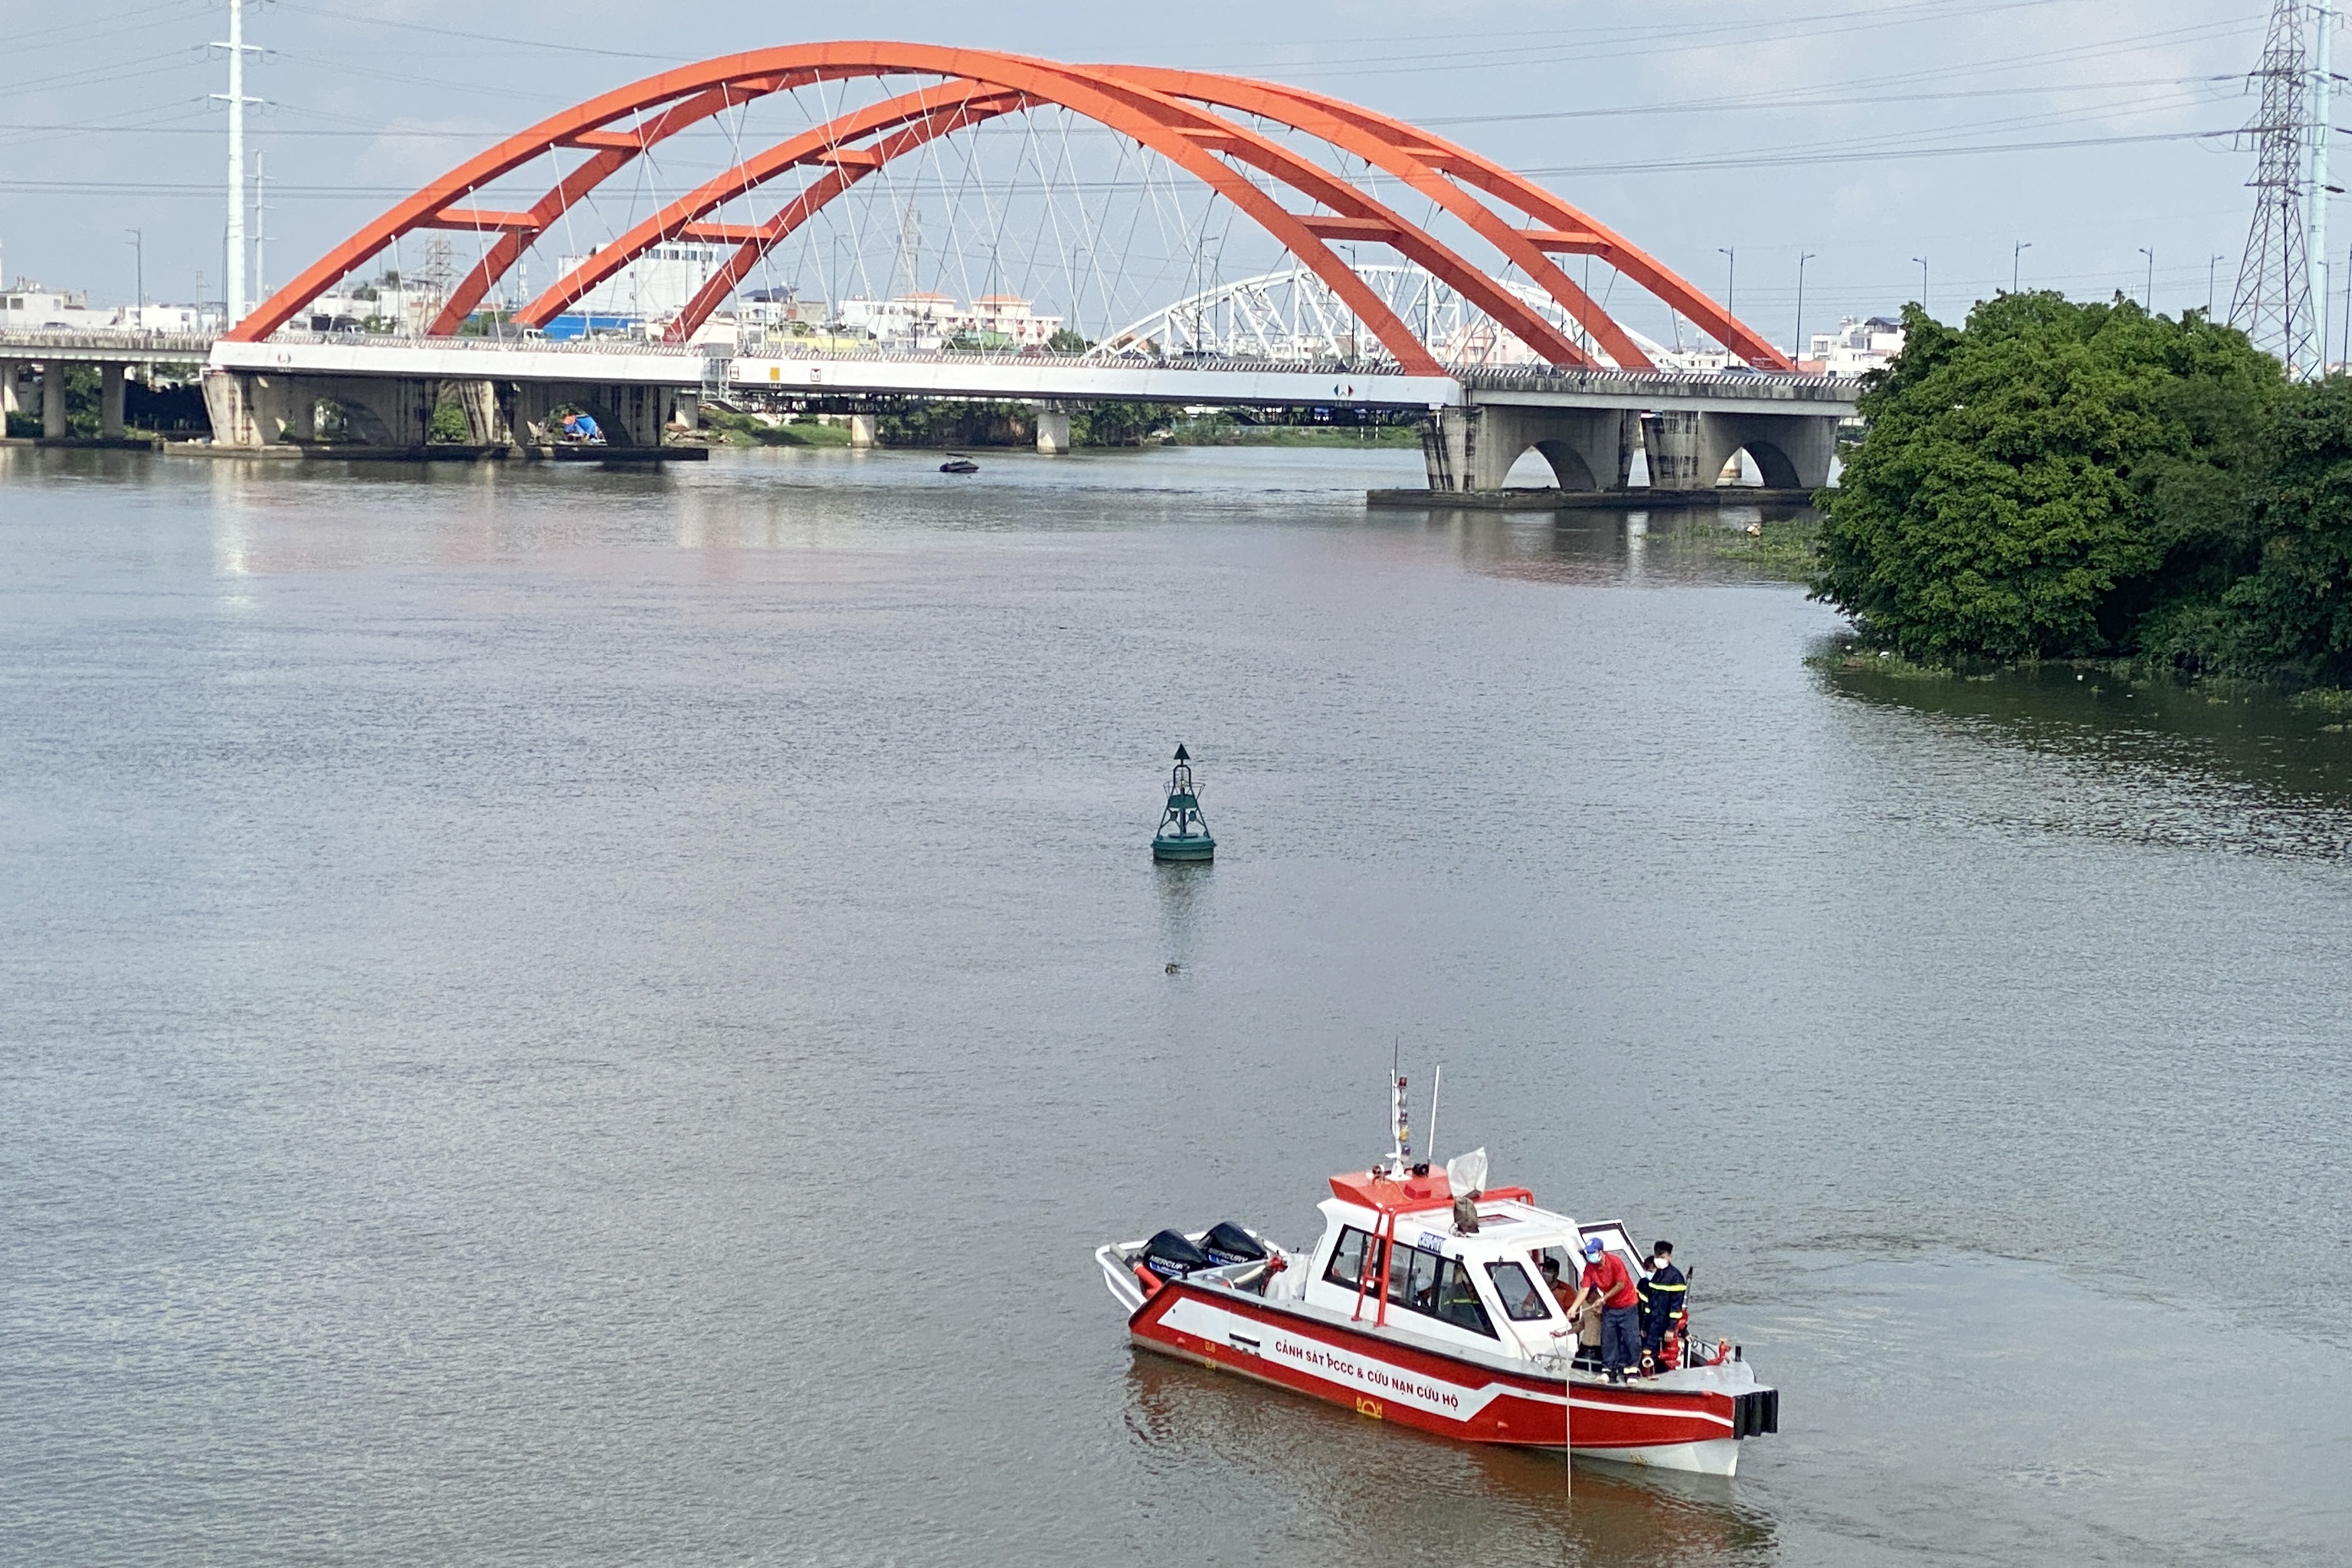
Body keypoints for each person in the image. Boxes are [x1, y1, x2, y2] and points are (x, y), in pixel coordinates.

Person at [1566, 1237, 1642, 1384]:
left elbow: (1620, 1284)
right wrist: (1574, 1307)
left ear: (1601, 1252)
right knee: (1608, 1339)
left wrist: (1603, 1298)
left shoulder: (1615, 1262)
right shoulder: (1590, 1268)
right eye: (1588, 1253)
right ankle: (1608, 1370)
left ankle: (1632, 1370)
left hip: (1627, 1305)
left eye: (1593, 1253)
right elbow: (1585, 1288)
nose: (1590, 1256)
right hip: (1610, 1308)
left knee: (1631, 1339)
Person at [1639, 1241, 1688, 1372]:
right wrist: (1644, 1325)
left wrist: (1671, 1328)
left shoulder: (1676, 1278)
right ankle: (1649, 1375)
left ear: (1669, 1257)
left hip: (1665, 1324)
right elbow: (1649, 1303)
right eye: (1657, 1256)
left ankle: (1663, 1375)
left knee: (1664, 1358)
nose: (1659, 1260)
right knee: (1648, 1354)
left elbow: (1676, 1307)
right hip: (1652, 1324)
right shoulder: (1656, 1275)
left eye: (1662, 1257)